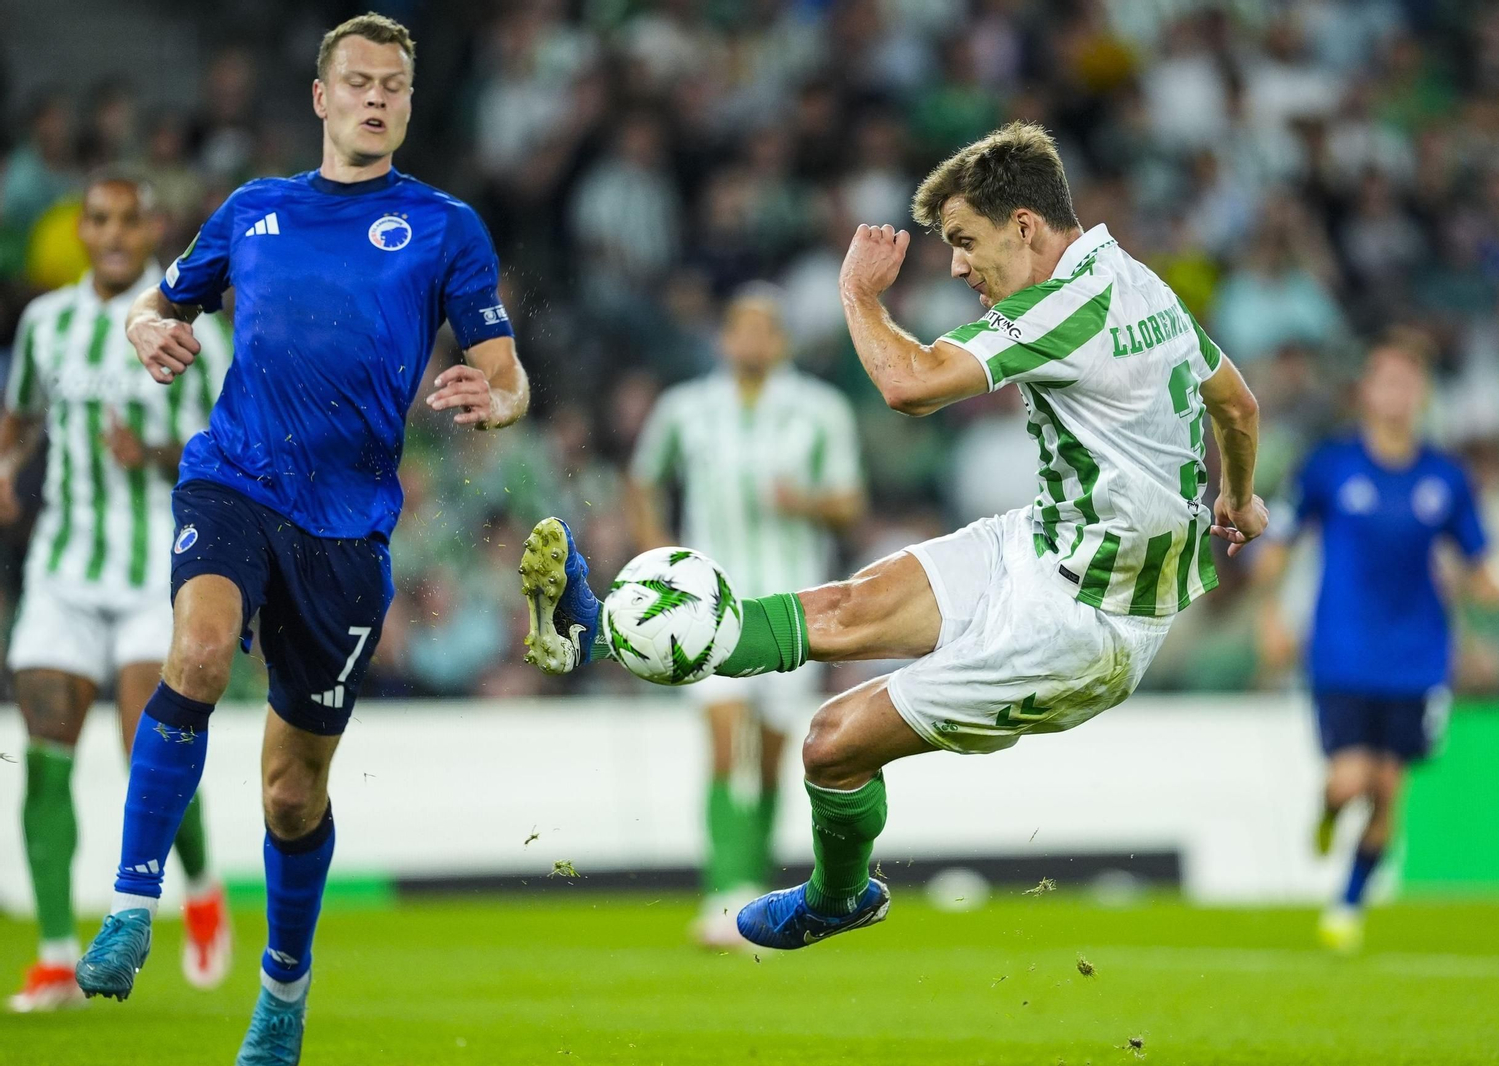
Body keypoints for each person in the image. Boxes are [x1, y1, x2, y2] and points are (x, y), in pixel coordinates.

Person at [524, 122, 1268, 949]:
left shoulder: (1063, 305)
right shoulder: (1142, 287)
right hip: (1042, 544)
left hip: (1084, 624)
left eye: (963, 240)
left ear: (1024, 226)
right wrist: (1238, 495)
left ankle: (838, 897)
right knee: (840, 610)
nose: (955, 265)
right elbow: (1237, 405)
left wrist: (857, 296)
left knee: (830, 744)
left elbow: (909, 387)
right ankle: (597, 634)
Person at [72, 15, 529, 1063]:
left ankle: (283, 990)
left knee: (290, 792)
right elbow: (158, 299)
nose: (375, 97)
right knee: (192, 650)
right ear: (321, 98)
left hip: (347, 530)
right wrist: (149, 324)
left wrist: (496, 402)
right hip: (234, 479)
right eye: (357, 81)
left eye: (394, 86)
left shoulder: (444, 226)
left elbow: (505, 370)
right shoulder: (253, 211)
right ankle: (131, 903)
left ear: (410, 105)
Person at [2, 170, 233, 1012]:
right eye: (96, 220)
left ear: (149, 232)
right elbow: (22, 412)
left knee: (147, 749)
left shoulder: (190, 327)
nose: (109, 235)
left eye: (125, 222)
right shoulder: (46, 323)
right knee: (47, 757)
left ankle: (202, 886)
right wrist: (6, 464)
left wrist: (159, 456)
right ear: (83, 230)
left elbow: (230, 445)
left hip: (154, 571)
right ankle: (58, 957)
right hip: (62, 569)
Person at [1254, 338, 1499, 953]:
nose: (1396, 395)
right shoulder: (1331, 466)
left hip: (1417, 655)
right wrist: (1270, 615)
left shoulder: (1444, 479)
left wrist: (1495, 591)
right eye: (1385, 382)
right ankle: (1327, 814)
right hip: (1343, 648)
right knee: (1349, 783)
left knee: (1388, 787)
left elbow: (1480, 562)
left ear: (1420, 395)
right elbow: (1281, 541)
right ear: (1366, 393)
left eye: (1407, 383)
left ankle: (1347, 903)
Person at [624, 284, 864, 947]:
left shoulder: (820, 411)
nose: (752, 341)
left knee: (779, 754)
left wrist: (806, 504)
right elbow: (643, 480)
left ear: (780, 340)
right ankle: (724, 890)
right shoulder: (685, 409)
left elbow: (849, 503)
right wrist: (657, 561)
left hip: (793, 606)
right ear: (725, 339)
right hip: (707, 605)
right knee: (726, 742)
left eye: (765, 330)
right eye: (741, 328)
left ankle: (750, 881)